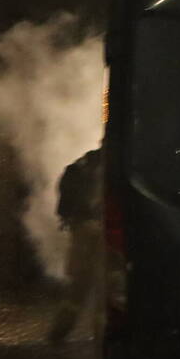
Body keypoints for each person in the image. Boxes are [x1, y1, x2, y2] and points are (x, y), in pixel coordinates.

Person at [49, 147, 103, 343]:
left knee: (77, 285)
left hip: (80, 229)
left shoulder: (82, 165)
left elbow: (64, 205)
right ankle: (102, 335)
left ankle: (59, 332)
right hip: (102, 229)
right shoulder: (114, 165)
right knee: (104, 284)